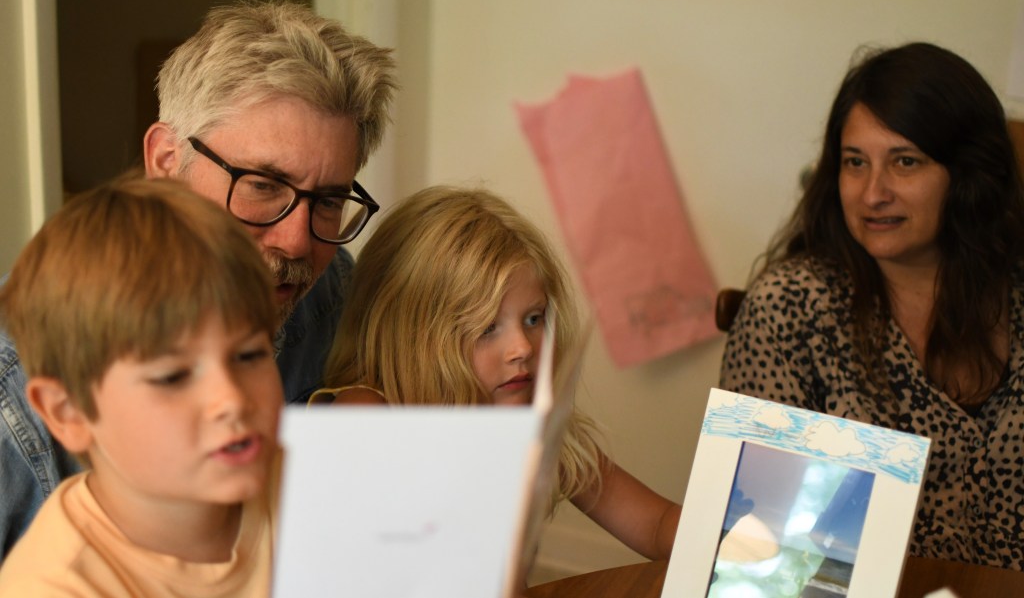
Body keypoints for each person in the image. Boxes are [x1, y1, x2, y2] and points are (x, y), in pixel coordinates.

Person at [0, 0, 396, 558]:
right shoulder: (13, 390)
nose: (296, 242)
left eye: (329, 200)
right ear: (166, 160)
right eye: (263, 186)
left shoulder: (327, 292)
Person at [720, 42, 1024, 570]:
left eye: (905, 162)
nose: (872, 193)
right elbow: (753, 533)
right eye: (855, 162)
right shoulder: (788, 310)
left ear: (969, 173)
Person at [318, 186, 681, 560]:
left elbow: (656, 525)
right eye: (488, 327)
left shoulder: (532, 421)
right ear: (412, 336)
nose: (523, 347)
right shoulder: (367, 417)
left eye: (533, 319)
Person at [0, 176, 283, 595]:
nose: (231, 399)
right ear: (68, 412)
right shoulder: (54, 585)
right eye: (173, 376)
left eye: (250, 355)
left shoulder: (310, 484)